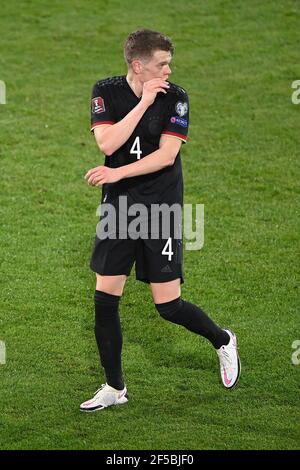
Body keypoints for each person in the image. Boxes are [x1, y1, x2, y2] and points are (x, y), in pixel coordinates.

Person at [80, 29, 241, 412]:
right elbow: (107, 144)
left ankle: (222, 340)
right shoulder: (106, 91)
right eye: (161, 64)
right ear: (138, 65)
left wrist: (117, 175)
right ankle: (115, 387)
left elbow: (167, 156)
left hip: (159, 210)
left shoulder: (177, 98)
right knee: (105, 300)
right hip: (118, 210)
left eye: (169, 63)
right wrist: (142, 103)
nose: (169, 70)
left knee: (167, 306)